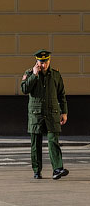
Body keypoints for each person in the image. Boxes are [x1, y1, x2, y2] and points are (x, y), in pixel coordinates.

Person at [20, 50, 69, 180]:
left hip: (52, 113)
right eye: (41, 62)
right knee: (36, 144)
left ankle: (57, 169)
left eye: (46, 62)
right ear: (37, 62)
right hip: (36, 114)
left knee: (54, 140)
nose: (43, 65)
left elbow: (61, 95)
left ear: (49, 61)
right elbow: (24, 89)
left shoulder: (56, 75)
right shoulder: (29, 73)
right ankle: (37, 170)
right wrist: (34, 76)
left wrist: (64, 112)